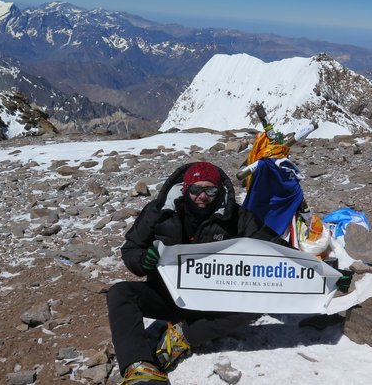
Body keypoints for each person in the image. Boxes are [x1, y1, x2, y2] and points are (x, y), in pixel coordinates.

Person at [106, 161, 284, 385]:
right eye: (196, 190)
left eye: (211, 190)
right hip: (166, 295)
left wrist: (325, 274)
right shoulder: (159, 211)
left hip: (213, 299)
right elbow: (131, 248)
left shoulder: (237, 217)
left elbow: (276, 249)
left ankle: (184, 336)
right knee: (120, 293)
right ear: (185, 188)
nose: (203, 196)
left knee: (260, 300)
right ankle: (139, 366)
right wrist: (143, 261)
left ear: (219, 190)